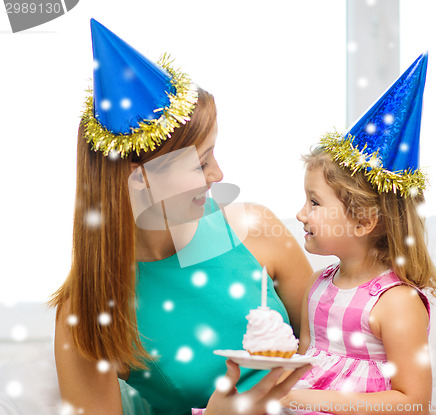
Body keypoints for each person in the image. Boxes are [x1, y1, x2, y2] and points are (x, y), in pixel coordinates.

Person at [51, 19, 312, 415]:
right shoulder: (86, 309)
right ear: (140, 179)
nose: (219, 176)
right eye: (200, 163)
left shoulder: (255, 230)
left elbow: (333, 352)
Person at [280, 53, 436, 415]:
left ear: (363, 221)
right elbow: (307, 362)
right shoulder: (319, 284)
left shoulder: (396, 303)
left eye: (314, 202)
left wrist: (301, 398)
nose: (301, 214)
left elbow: (414, 402)